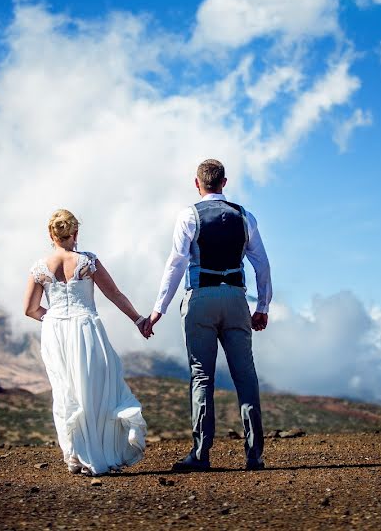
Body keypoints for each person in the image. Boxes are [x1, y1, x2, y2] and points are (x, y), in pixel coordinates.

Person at [148, 159, 272, 471]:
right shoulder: (245, 217)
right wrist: (263, 307)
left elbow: (176, 264)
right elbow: (262, 264)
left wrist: (159, 308)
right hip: (235, 298)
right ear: (224, 182)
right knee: (245, 375)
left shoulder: (188, 216)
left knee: (202, 375)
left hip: (200, 299)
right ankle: (254, 455)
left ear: (197, 183)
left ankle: (201, 454)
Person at [24, 209, 152, 476]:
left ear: (51, 234)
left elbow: (31, 309)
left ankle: (74, 457)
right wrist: (138, 319)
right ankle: (102, 453)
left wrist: (54, 319)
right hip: (85, 329)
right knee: (96, 391)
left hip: (56, 332)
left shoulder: (39, 268)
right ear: (75, 233)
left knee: (65, 392)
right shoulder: (88, 262)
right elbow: (114, 294)